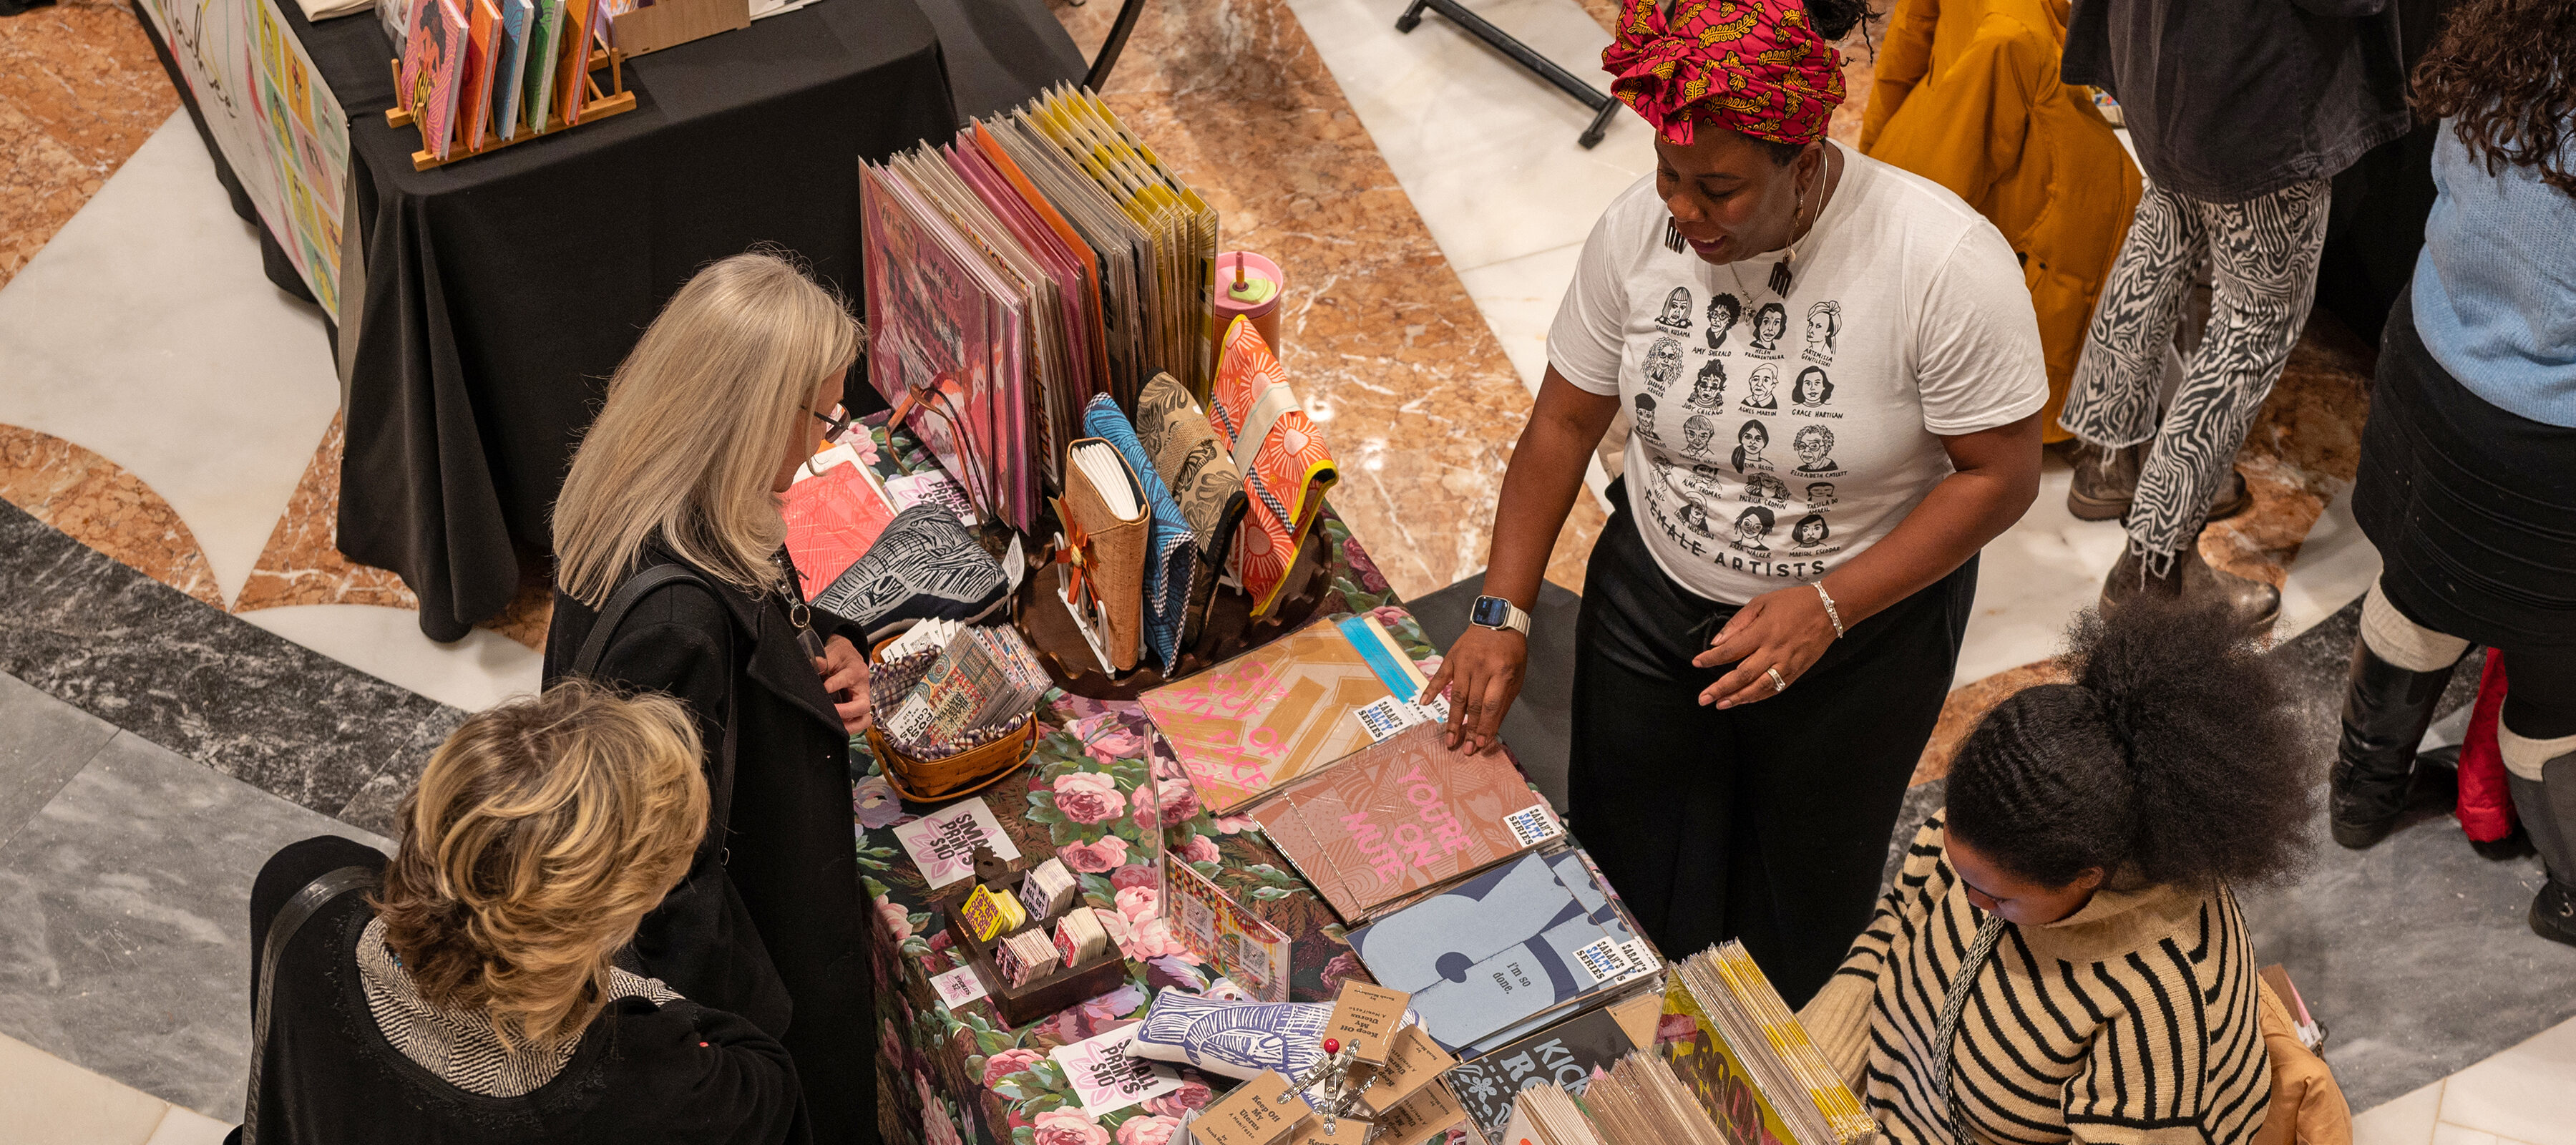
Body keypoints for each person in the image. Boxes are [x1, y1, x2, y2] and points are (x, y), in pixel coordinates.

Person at [1423, 0, 2046, 1005]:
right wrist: (1502, 610)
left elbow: (2001, 476)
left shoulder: (1939, 263)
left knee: (1796, 890)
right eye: (1672, 176)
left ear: (1804, 165)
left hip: (1857, 635)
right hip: (1653, 597)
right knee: (1628, 855)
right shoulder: (1639, 231)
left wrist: (1829, 602)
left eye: (1720, 189)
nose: (1685, 212)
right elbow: (1561, 426)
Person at [543, 250, 878, 1141]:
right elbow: (671, 890)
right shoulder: (676, 624)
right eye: (820, 416)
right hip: (762, 968)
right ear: (753, 413)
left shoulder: (644, 487)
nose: (821, 447)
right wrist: (759, 1044)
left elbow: (762, 604)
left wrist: (822, 649)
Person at [1800, 599, 2305, 1144]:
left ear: (2086, 877)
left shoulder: (2163, 1002)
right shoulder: (1996, 835)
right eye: (1958, 873)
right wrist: (1800, 1077)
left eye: (1997, 899)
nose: (1968, 901)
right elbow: (1892, 934)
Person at [234, 683, 809, 1145]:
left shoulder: (305, 885)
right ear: (603, 924)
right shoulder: (658, 1081)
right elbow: (768, 1079)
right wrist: (638, 992)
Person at [2326, 0, 2576, 945]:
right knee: (2562, 689)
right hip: (2549, 454)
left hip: (2429, 376)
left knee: (2418, 585)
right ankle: (2571, 893)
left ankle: (2361, 799)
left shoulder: (2512, 41)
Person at [2055, 0, 2411, 626]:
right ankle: (2151, 570)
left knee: (2163, 238)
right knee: (2252, 327)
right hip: (2252, 88)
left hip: (2156, 54)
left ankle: (2109, 462)